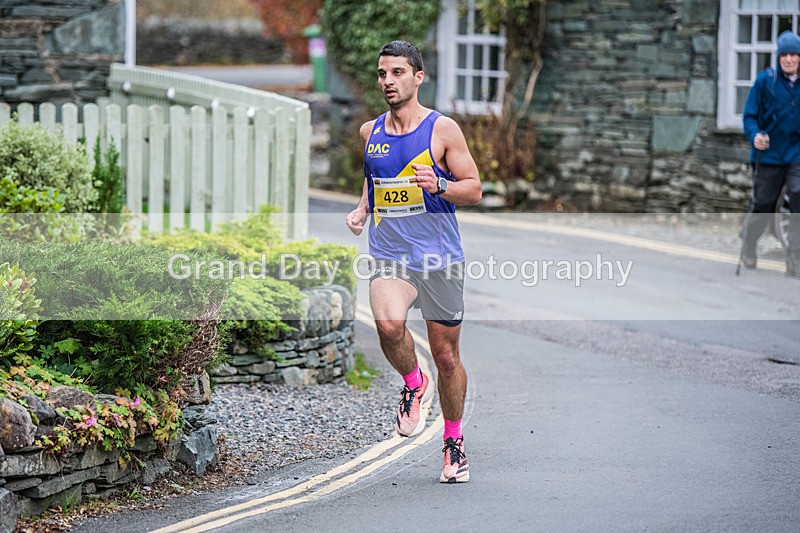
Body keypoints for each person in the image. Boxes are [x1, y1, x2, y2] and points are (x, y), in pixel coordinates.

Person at [345, 40, 482, 483]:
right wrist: (363, 208)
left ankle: (454, 441)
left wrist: (439, 184)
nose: (388, 81)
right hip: (390, 254)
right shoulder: (371, 132)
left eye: (398, 73)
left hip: (440, 259)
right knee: (387, 325)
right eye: (383, 73)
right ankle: (412, 383)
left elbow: (474, 188)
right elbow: (375, 179)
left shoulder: (443, 130)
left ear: (418, 77)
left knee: (446, 356)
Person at [742, 30, 800, 277]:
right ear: (778, 57)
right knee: (763, 206)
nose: (789, 59)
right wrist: (755, 135)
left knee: (798, 201)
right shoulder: (765, 81)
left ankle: (794, 256)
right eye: (784, 55)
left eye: (794, 55)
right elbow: (749, 117)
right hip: (769, 156)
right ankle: (749, 242)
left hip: (796, 155)